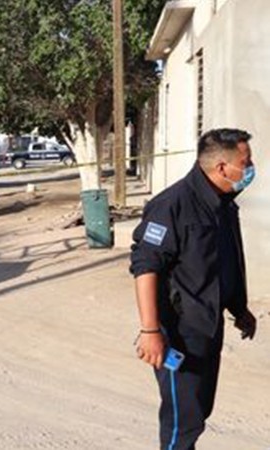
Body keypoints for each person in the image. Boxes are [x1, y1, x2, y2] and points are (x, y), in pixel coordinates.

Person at [130, 128, 258, 450]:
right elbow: (146, 267)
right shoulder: (171, 206)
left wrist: (238, 308)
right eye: (246, 161)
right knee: (181, 421)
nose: (251, 167)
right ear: (222, 168)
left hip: (209, 326)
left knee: (199, 410)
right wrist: (149, 331)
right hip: (178, 332)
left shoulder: (223, 203)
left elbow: (224, 262)